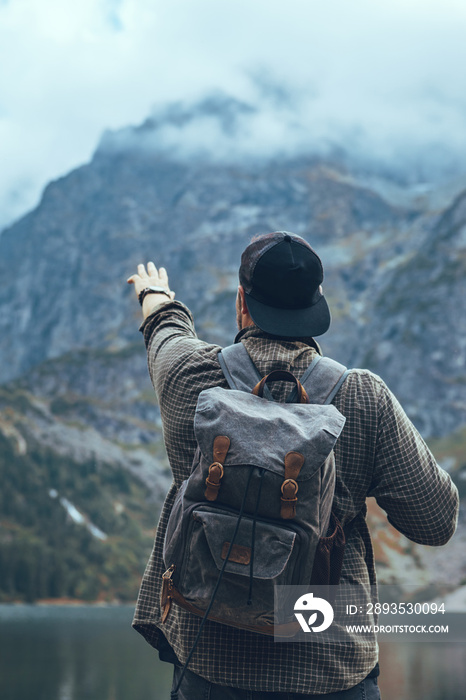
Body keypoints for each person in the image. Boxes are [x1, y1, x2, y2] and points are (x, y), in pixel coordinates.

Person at [127, 231, 459, 700]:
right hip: (328, 668)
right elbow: (436, 522)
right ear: (316, 308)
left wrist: (155, 296)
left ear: (242, 301)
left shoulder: (190, 377)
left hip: (211, 663)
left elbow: (165, 334)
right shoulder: (363, 398)